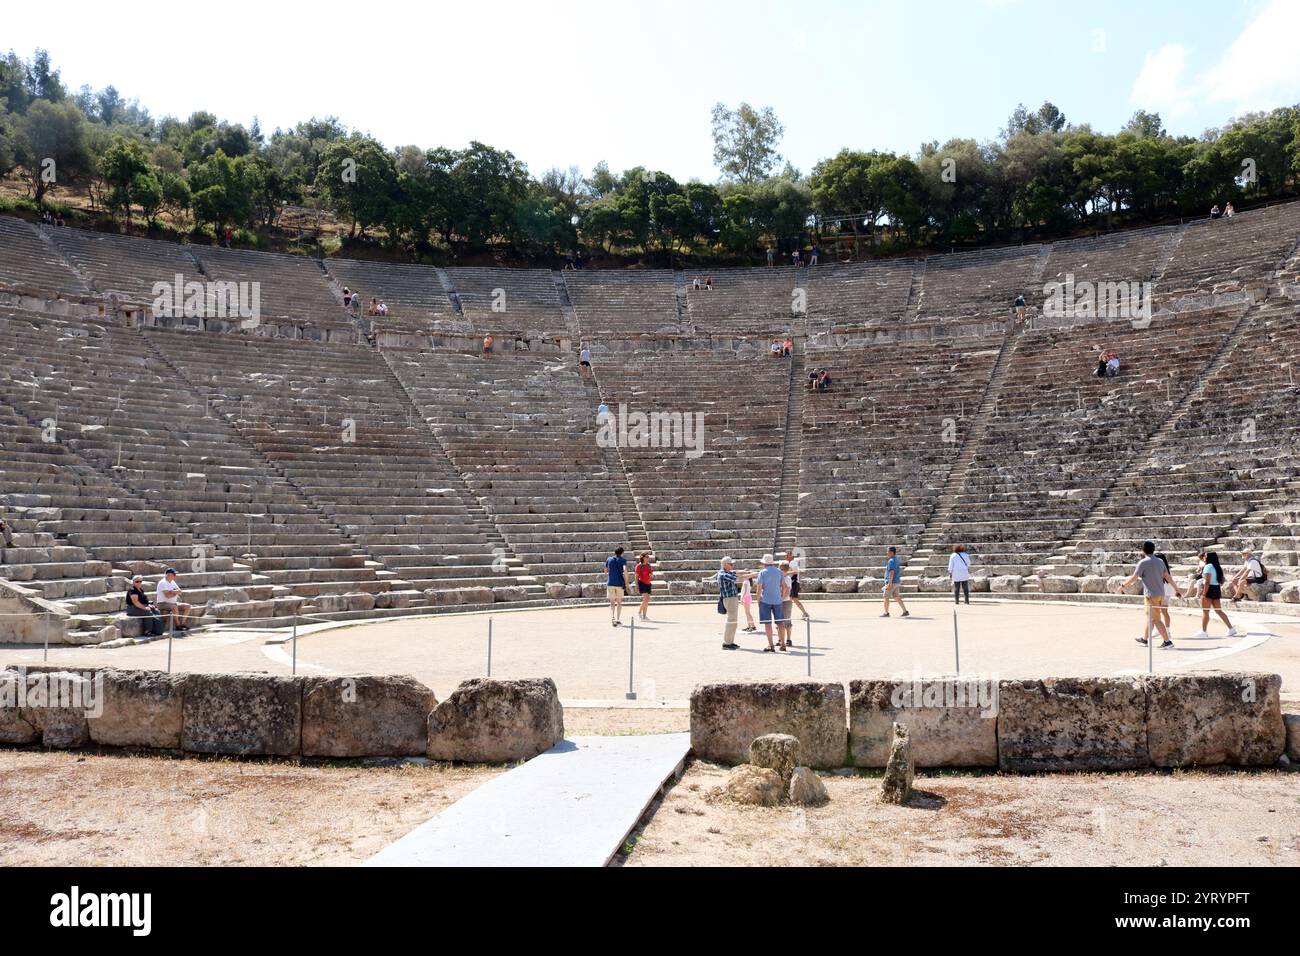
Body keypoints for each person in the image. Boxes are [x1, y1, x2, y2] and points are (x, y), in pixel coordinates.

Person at [1124, 541, 1179, 648]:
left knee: (1155, 619)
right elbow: (1168, 577)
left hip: (1151, 595)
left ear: (1143, 550)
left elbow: (1134, 577)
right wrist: (1176, 589)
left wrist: (1123, 585)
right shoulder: (1160, 561)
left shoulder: (1143, 563)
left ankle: (1167, 642)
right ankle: (1144, 639)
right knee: (1151, 617)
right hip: (1160, 594)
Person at [1193, 551, 1242, 639]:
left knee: (1205, 611)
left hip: (1209, 589)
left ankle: (1204, 632)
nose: (1204, 557)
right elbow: (1221, 580)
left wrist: (1204, 593)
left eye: (1205, 556)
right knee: (1218, 611)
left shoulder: (1208, 566)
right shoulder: (1217, 567)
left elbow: (1207, 582)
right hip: (1216, 589)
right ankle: (1231, 629)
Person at [755, 554, 789, 652]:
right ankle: (783, 644)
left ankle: (771, 645)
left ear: (764, 563)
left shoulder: (762, 572)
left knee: (768, 624)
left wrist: (758, 600)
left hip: (765, 600)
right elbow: (784, 586)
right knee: (780, 623)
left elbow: (759, 588)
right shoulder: (779, 572)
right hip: (777, 600)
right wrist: (781, 597)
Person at [717, 556, 741, 649]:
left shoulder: (726, 572)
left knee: (733, 621)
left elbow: (736, 574)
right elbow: (737, 577)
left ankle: (730, 641)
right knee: (731, 621)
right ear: (725, 565)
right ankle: (727, 643)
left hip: (732, 598)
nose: (732, 565)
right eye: (730, 564)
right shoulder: (723, 574)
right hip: (730, 599)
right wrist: (752, 575)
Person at [880, 546, 909, 618]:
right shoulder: (896, 560)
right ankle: (905, 611)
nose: (887, 553)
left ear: (892, 552)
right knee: (896, 597)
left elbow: (891, 572)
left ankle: (886, 613)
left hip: (892, 582)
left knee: (886, 596)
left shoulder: (891, 561)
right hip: (896, 581)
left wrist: (889, 583)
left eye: (888, 551)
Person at [605, 547, 630, 627]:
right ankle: (618, 619)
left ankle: (612, 617)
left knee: (612, 603)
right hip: (619, 584)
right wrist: (627, 583)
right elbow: (625, 571)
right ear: (622, 553)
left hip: (610, 583)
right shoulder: (623, 560)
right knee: (619, 602)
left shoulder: (609, 559)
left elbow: (605, 570)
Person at [784, 549, 809, 620]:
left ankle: (805, 613)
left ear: (791, 556)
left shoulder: (792, 562)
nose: (785, 556)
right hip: (794, 583)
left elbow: (795, 572)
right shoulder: (791, 562)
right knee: (791, 599)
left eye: (787, 555)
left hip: (793, 583)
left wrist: (786, 573)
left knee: (793, 599)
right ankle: (804, 613)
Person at [778, 560, 795, 649]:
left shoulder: (787, 578)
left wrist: (781, 599)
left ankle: (788, 639)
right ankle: (780, 639)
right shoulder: (781, 577)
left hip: (786, 601)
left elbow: (787, 590)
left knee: (787, 621)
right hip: (781, 601)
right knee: (779, 621)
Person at [634, 552, 654, 621]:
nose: (648, 558)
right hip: (642, 583)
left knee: (647, 600)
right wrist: (636, 586)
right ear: (643, 557)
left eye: (648, 557)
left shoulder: (648, 565)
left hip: (648, 583)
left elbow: (651, 574)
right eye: (647, 557)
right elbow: (636, 577)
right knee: (646, 599)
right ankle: (639, 613)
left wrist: (651, 575)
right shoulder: (639, 566)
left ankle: (644, 616)